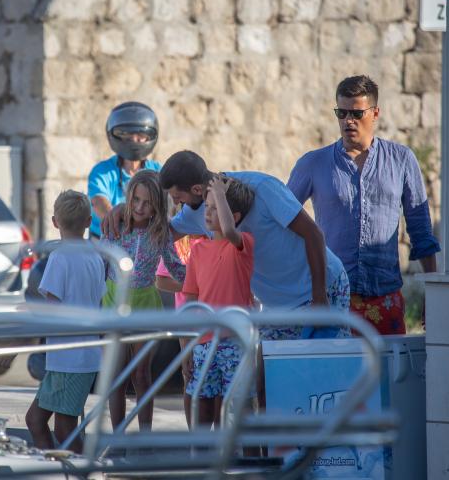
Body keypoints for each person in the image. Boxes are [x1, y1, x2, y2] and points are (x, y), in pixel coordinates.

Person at [104, 151, 350, 339]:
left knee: (320, 381)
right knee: (272, 385)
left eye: (178, 198)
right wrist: (123, 212)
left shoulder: (263, 188)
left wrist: (319, 295)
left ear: (197, 189)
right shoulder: (195, 210)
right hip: (278, 305)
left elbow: (314, 234)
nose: (176, 205)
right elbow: (158, 232)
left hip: (321, 288)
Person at [288, 75, 440, 334]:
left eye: (357, 113)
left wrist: (435, 294)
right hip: (333, 297)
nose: (348, 120)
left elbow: (421, 232)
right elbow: (284, 218)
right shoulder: (313, 163)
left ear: (375, 113)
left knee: (389, 373)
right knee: (336, 373)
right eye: (342, 112)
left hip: (385, 295)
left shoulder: (401, 160)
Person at [100, 170, 185, 432]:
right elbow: (100, 263)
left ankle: (145, 435)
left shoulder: (161, 233)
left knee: (141, 374)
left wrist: (204, 283)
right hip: (114, 303)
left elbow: (176, 268)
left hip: (146, 307)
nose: (139, 207)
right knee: (115, 376)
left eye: (147, 203)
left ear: (156, 206)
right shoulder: (115, 227)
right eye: (136, 199)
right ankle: (118, 436)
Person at [25, 190, 106, 453]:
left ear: (54, 222)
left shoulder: (59, 257)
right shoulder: (95, 256)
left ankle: (86, 471)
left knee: (60, 427)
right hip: (82, 356)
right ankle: (58, 470)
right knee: (38, 421)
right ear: (88, 222)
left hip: (67, 358)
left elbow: (53, 310)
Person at [180, 176, 255, 430]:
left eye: (215, 207)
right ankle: (202, 462)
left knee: (240, 407)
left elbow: (231, 233)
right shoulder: (197, 250)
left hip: (236, 342)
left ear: (233, 215)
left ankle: (249, 460)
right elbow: (190, 302)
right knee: (202, 406)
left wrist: (221, 194)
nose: (208, 213)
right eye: (207, 207)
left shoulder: (243, 243)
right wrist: (187, 346)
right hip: (203, 344)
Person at [88, 102, 162, 239]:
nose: (134, 140)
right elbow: (99, 203)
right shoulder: (102, 171)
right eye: (127, 135)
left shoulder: (158, 171)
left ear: (150, 136)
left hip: (146, 239)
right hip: (106, 239)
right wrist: (120, 219)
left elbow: (169, 207)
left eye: (141, 134)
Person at [155, 233, 206, 428]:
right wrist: (196, 287)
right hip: (187, 321)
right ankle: (195, 435)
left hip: (215, 318)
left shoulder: (213, 237)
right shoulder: (178, 242)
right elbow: (161, 280)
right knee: (190, 376)